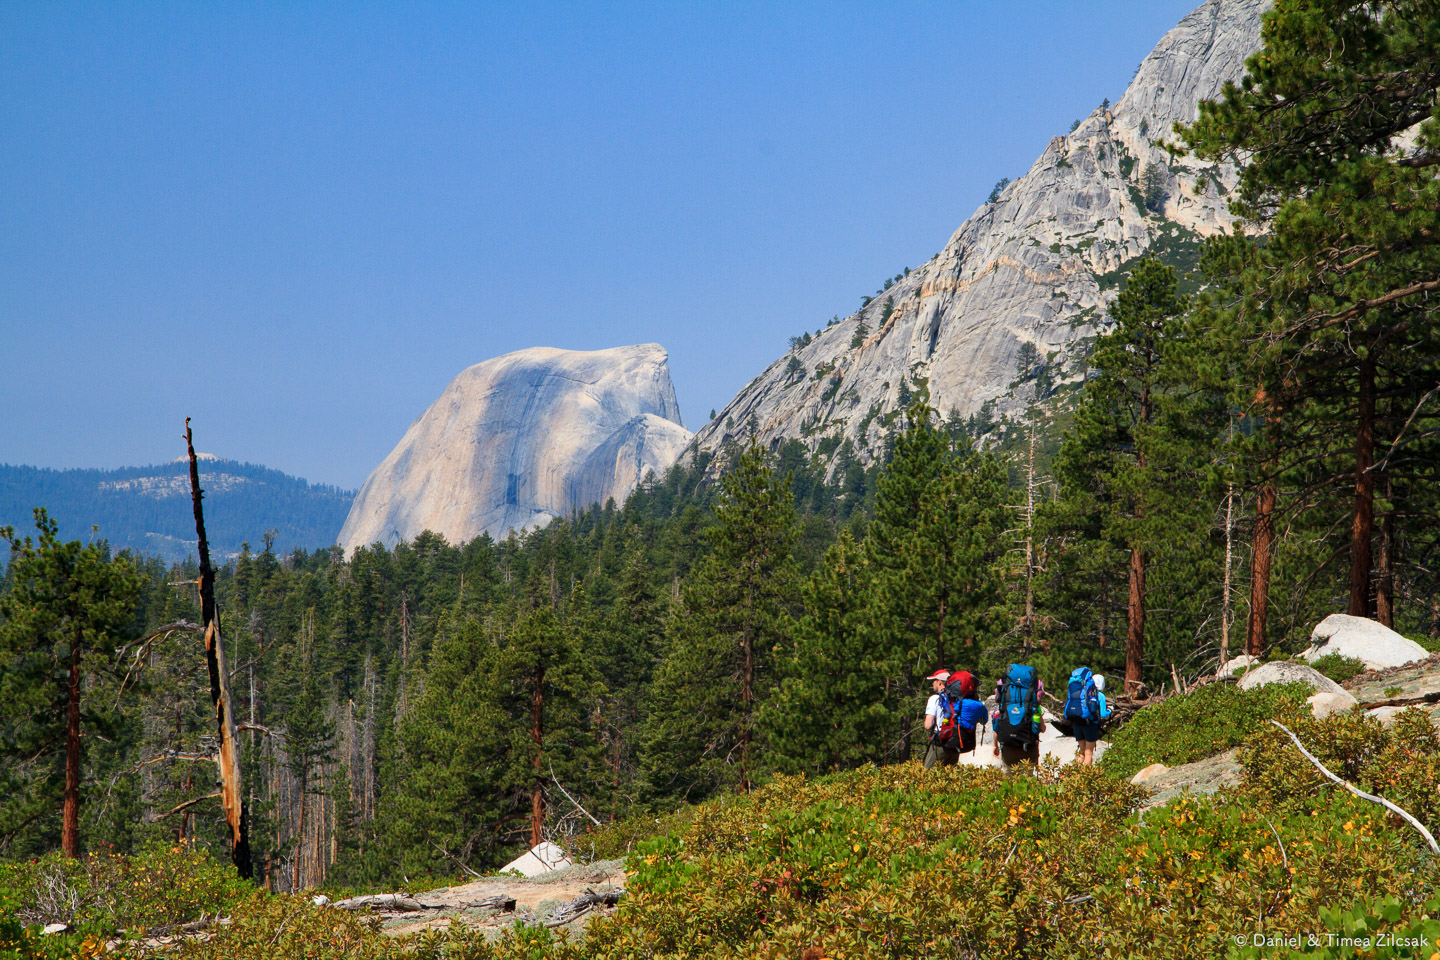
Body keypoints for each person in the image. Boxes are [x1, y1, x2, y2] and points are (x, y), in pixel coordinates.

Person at [992, 666, 1045, 769]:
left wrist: (995, 745)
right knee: (1028, 781)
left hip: (1008, 750)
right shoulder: (1034, 707)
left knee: (1008, 781)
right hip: (1029, 750)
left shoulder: (1004, 705)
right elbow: (1042, 729)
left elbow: (997, 728)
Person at [922, 669, 959, 768]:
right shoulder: (956, 698)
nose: (932, 684)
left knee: (926, 776)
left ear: (939, 682)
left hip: (940, 743)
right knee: (949, 779)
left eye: (933, 681)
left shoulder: (934, 699)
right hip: (955, 744)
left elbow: (928, 725)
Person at [1074, 674, 1113, 766]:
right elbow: (1103, 714)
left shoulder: (1082, 692)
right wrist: (1110, 710)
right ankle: (1084, 778)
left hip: (1078, 723)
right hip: (1090, 725)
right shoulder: (1100, 696)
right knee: (1089, 753)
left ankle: (1073, 774)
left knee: (1081, 751)